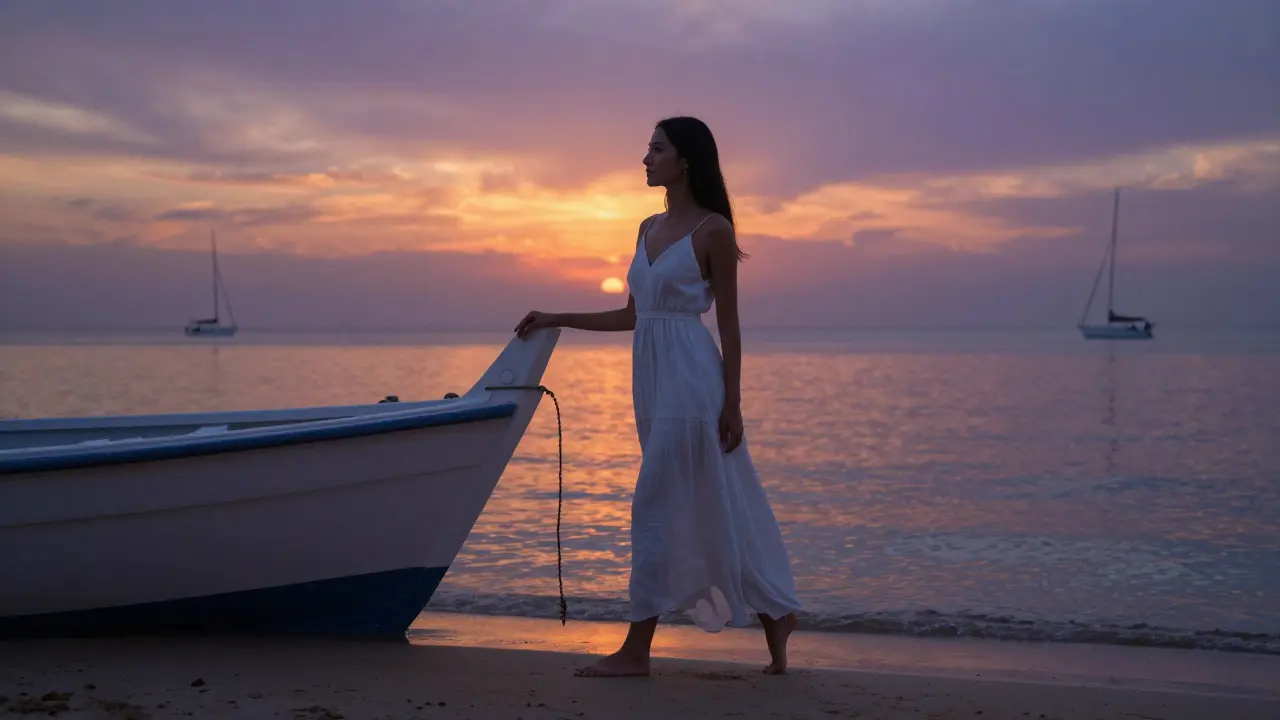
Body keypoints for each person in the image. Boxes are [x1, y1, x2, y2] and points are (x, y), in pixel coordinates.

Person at [515, 116, 802, 678]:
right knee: (719, 501)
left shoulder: (714, 230)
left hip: (694, 384)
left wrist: (734, 404)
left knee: (653, 505)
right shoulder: (646, 227)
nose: (645, 159)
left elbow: (732, 326)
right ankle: (777, 616)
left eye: (655, 149)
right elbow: (632, 314)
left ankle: (635, 651)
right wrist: (558, 317)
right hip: (652, 384)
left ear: (685, 159)